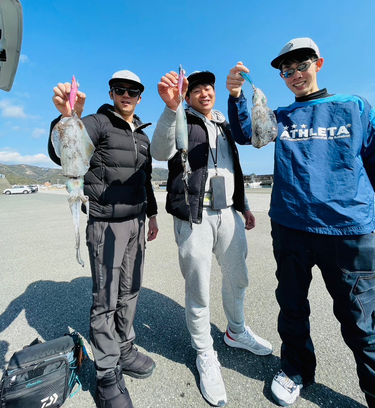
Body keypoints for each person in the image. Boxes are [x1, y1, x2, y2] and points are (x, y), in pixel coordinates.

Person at [226, 38, 375, 408]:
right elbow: (248, 134)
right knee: (292, 307)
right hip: (291, 226)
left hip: (350, 230)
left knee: (363, 322)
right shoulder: (280, 116)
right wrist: (236, 96)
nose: (294, 75)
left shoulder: (353, 106)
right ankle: (295, 371)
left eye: (301, 66)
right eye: (286, 70)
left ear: (319, 63)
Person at [150, 69, 273, 407]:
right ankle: (205, 352)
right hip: (195, 216)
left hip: (229, 214)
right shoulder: (180, 118)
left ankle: (236, 330)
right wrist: (169, 108)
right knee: (199, 286)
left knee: (239, 278)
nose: (204, 92)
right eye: (197, 89)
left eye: (209, 87)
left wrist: (243, 205)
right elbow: (160, 151)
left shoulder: (224, 125)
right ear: (188, 96)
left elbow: (232, 167)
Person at [48, 70, 159, 408]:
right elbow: (63, 152)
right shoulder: (97, 122)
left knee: (130, 290)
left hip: (136, 222)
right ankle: (107, 373)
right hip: (106, 225)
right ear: (112, 93)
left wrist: (152, 215)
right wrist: (68, 118)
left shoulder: (141, 134)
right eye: (120, 89)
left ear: (140, 96)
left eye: (133, 91)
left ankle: (124, 347)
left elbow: (146, 178)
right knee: (106, 299)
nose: (127, 95)